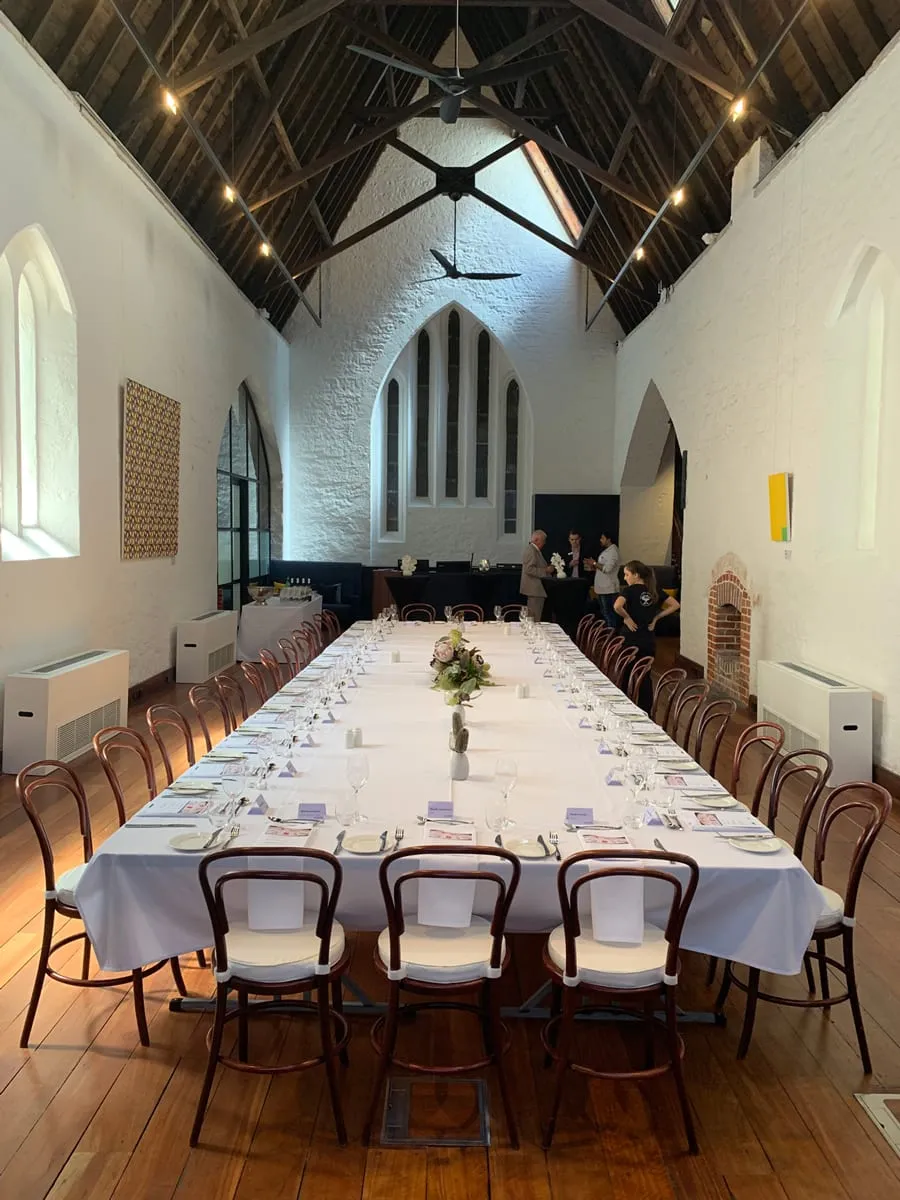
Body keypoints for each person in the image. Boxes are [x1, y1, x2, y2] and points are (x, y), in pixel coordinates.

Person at [614, 560, 680, 713]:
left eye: (627, 574)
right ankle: (646, 711)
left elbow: (617, 606)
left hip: (630, 638)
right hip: (648, 639)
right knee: (645, 676)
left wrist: (627, 617)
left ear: (636, 575)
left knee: (626, 673)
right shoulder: (654, 589)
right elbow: (675, 605)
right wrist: (656, 617)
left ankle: (625, 708)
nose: (625, 578)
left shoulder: (629, 591)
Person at [585, 531, 621, 632]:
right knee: (604, 612)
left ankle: (612, 636)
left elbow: (608, 569)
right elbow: (603, 568)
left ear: (608, 539)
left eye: (602, 538)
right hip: (602, 588)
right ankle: (608, 634)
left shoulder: (613, 551)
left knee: (608, 613)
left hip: (608, 588)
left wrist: (594, 563)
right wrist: (594, 567)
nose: (601, 540)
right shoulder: (607, 551)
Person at [520, 529, 553, 621]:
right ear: (537, 540)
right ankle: (532, 634)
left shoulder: (535, 550)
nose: (544, 543)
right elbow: (529, 569)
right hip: (534, 590)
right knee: (533, 618)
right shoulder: (531, 550)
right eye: (543, 541)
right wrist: (545, 570)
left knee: (535, 617)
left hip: (536, 590)